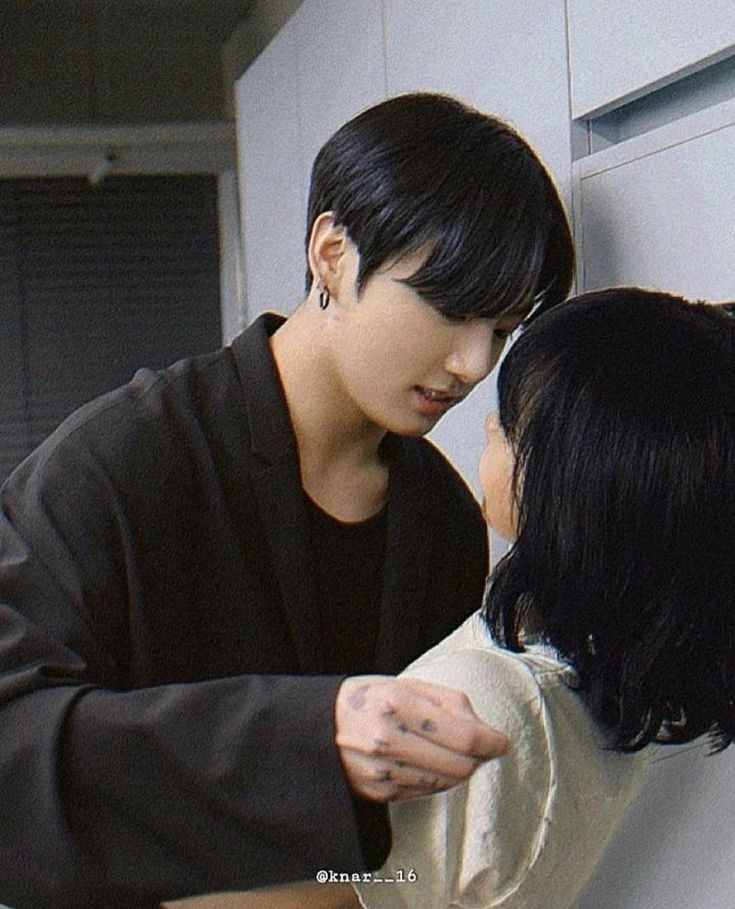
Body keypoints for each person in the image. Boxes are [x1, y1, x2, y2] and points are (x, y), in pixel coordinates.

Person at [0, 93, 573, 907]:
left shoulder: (442, 515)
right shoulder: (123, 458)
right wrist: (312, 736)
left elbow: (409, 851)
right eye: (451, 309)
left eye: (502, 329)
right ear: (332, 253)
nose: (474, 363)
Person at [197, 288, 734, 909]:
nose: (486, 422)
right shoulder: (608, 675)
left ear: (576, 486)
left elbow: (332, 894)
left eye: (512, 425)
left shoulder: (487, 703)